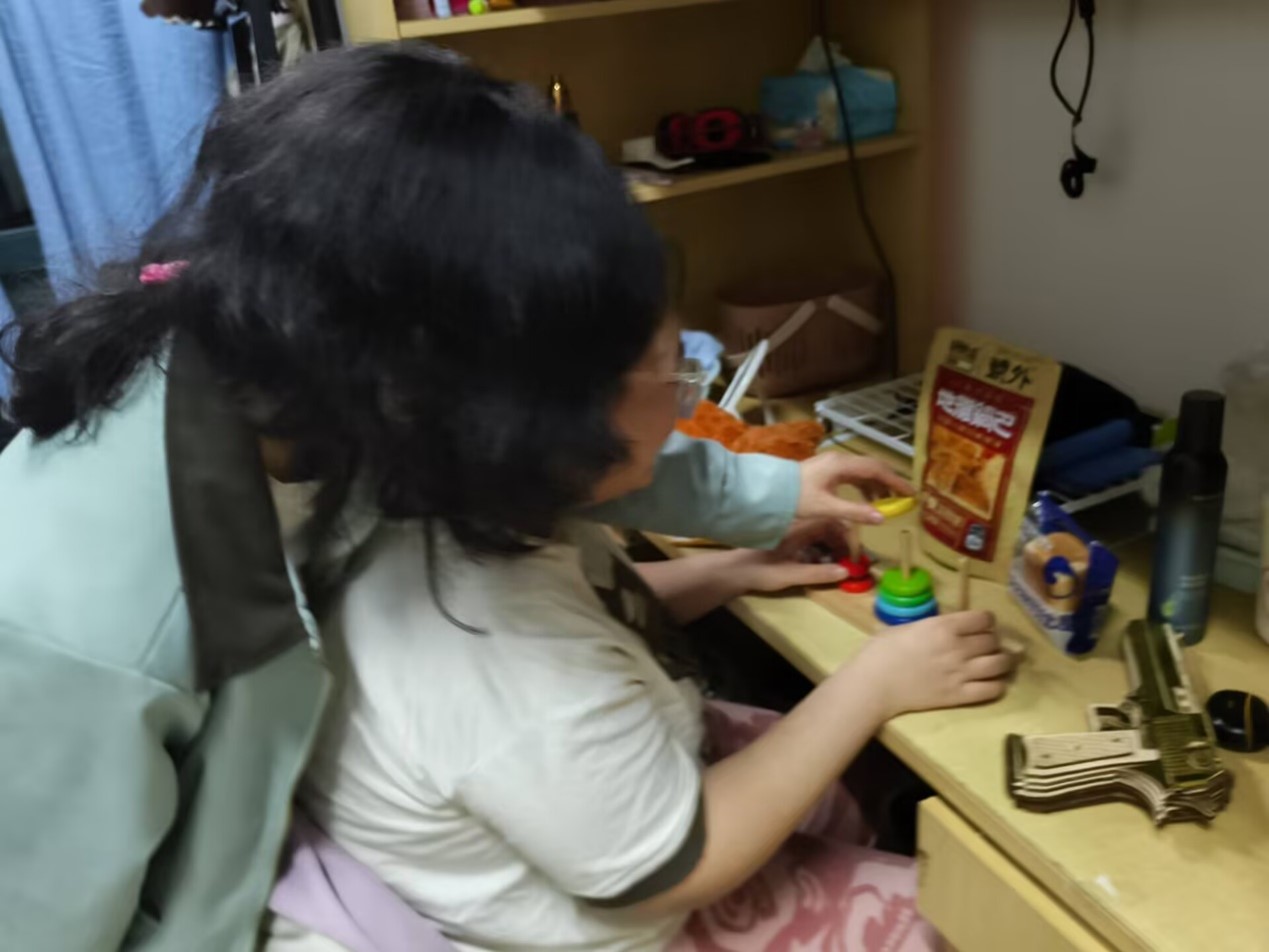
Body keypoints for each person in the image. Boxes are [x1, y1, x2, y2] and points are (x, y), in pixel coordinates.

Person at [0, 45, 913, 952]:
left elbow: (568, 441)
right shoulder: (90, 628)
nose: (655, 399)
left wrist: (770, 490)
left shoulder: (325, 356)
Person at [259, 54, 1015, 952]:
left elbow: (579, 637)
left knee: (832, 774)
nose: (689, 404)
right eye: (672, 375)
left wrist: (728, 572)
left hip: (582, 818)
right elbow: (678, 865)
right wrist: (872, 684)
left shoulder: (431, 505)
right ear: (545, 425)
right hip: (638, 905)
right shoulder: (492, 659)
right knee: (953, 920)